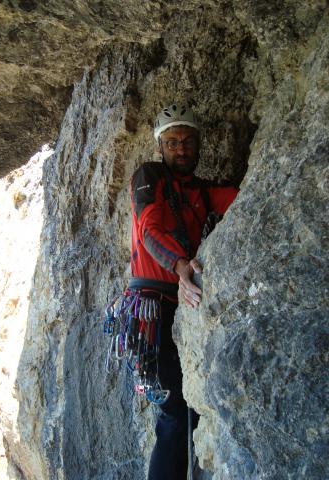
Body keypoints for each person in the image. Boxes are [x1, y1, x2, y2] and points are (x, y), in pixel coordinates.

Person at [129, 103, 238, 480]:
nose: (180, 148)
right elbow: (149, 230)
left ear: (198, 145)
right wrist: (179, 267)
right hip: (152, 308)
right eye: (172, 141)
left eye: (188, 141)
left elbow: (243, 200)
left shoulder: (202, 191)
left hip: (179, 306)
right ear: (160, 146)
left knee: (188, 414)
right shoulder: (148, 177)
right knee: (175, 412)